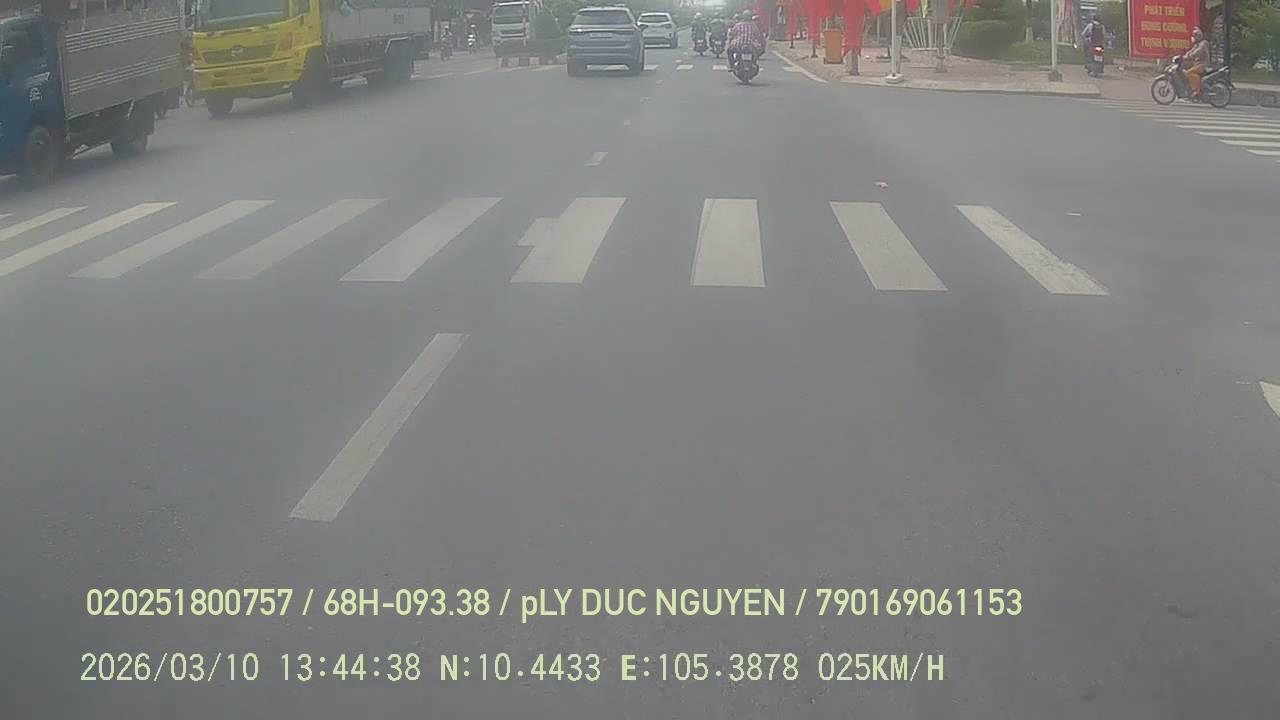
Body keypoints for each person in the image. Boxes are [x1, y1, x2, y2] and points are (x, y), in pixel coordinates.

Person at [1184, 26, 1210, 97]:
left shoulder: (1203, 43)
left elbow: (1198, 52)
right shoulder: (1197, 44)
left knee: (1189, 72)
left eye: (1195, 36)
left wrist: (1189, 56)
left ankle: (1197, 90)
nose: (1194, 37)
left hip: (1202, 64)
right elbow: (1191, 51)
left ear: (1199, 36)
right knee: (1186, 70)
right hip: (1198, 64)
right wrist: (1184, 56)